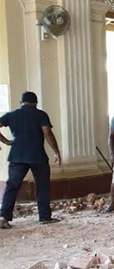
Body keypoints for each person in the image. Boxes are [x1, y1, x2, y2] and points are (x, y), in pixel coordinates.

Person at [0, 92, 62, 229]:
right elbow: (48, 133)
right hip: (37, 155)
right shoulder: (41, 115)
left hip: (17, 155)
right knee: (42, 186)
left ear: (20, 102)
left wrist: (6, 142)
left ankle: (3, 217)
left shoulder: (11, 115)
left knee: (12, 186)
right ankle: (45, 217)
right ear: (36, 102)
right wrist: (56, 152)